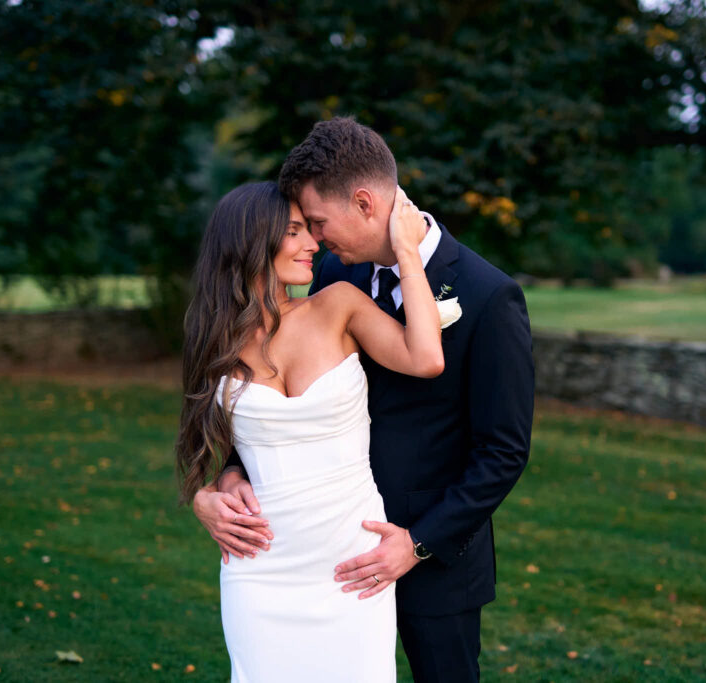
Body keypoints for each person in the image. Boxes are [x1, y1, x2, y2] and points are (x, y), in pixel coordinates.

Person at [195, 117, 534, 682]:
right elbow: (285, 403)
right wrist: (229, 477)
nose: (317, 240)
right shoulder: (332, 274)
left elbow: (503, 451)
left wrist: (418, 544)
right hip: (322, 545)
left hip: (436, 555)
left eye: (320, 223)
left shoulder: (488, 295)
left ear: (363, 202)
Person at [176, 179, 443, 682]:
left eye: (310, 230)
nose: (313, 244)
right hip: (260, 566)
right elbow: (209, 453)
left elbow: (426, 358)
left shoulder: (337, 304)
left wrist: (407, 250)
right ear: (252, 240)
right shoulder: (213, 340)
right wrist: (204, 497)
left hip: (352, 559)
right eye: (295, 231)